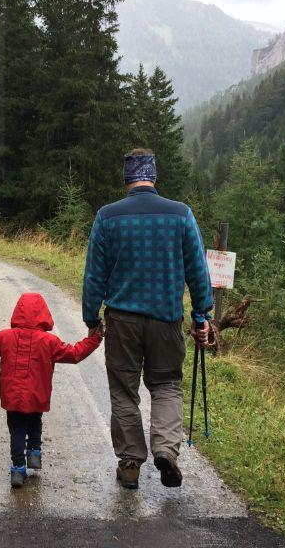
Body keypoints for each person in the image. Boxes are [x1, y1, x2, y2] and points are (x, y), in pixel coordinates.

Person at [81, 148, 215, 490]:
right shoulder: (181, 215)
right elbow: (198, 272)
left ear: (127, 178)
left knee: (124, 391)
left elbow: (94, 275)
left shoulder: (107, 217)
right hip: (166, 319)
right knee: (167, 385)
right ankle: (166, 451)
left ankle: (130, 464)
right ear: (153, 175)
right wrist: (202, 316)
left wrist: (91, 316)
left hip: (123, 320)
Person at [0, 292, 103, 488]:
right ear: (44, 314)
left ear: (17, 312)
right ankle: (34, 452)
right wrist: (94, 339)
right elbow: (74, 353)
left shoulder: (5, 337)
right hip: (37, 395)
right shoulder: (49, 341)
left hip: (12, 395)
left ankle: (18, 469)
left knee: (17, 428)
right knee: (35, 420)